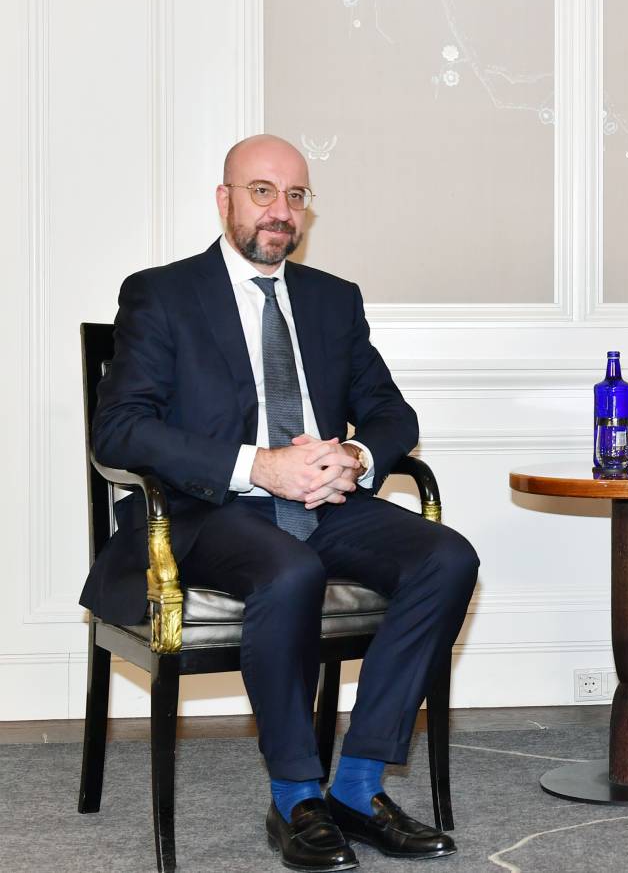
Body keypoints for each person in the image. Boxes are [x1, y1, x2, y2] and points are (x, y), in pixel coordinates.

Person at [80, 134, 479, 872]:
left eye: (296, 196)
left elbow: (392, 413)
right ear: (225, 200)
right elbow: (122, 428)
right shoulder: (162, 294)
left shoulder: (332, 299)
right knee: (290, 570)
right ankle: (296, 797)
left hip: (323, 504)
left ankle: (357, 786)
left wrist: (354, 458)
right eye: (262, 191)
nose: (280, 210)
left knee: (448, 558)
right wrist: (259, 467)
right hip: (205, 511)